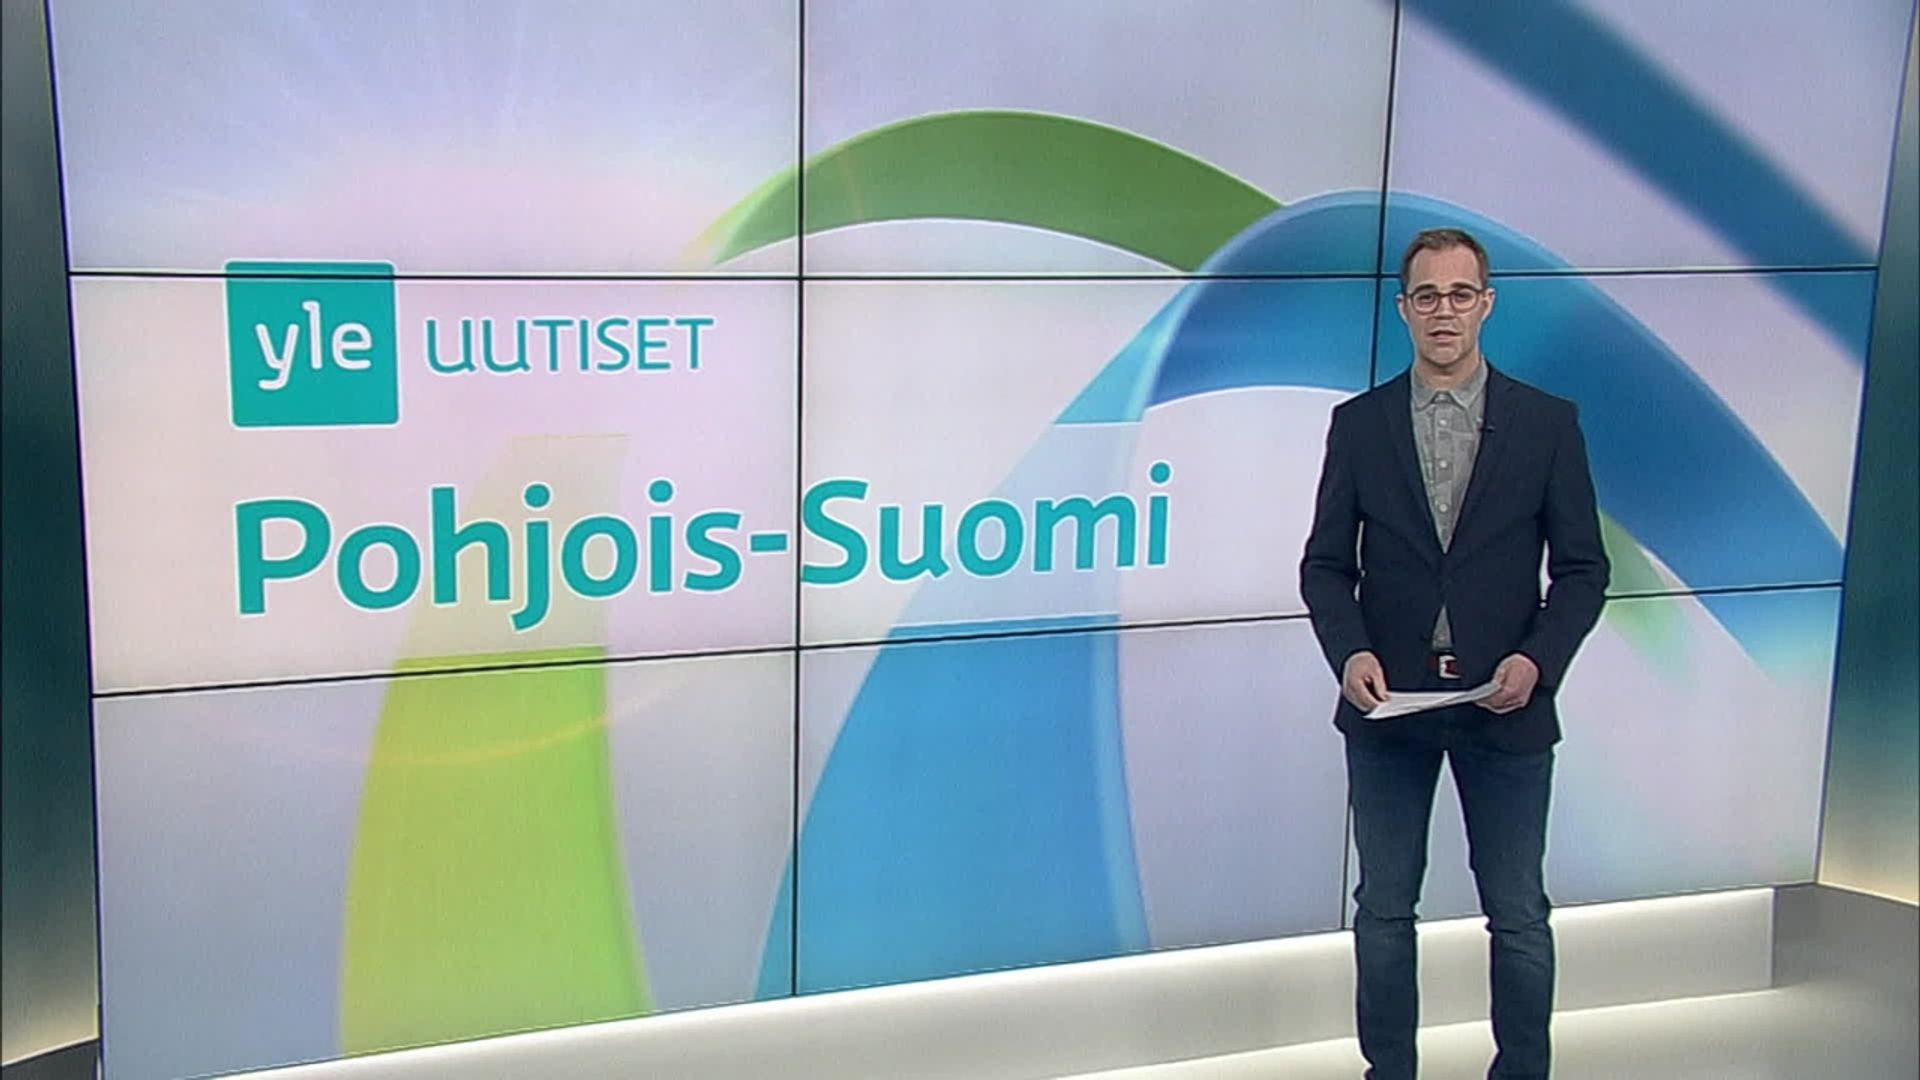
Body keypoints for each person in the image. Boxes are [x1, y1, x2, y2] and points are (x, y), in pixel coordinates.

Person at [1299, 227, 1610, 1080]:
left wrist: (1537, 662)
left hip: (1507, 707)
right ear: (1404, 309)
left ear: (1487, 304)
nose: (1445, 311)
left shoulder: (1548, 424)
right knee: (1384, 909)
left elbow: (1583, 570)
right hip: (1389, 711)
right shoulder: (1359, 426)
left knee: (1517, 914)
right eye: (1428, 296)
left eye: (1461, 294)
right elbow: (1325, 566)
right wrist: (1349, 653)